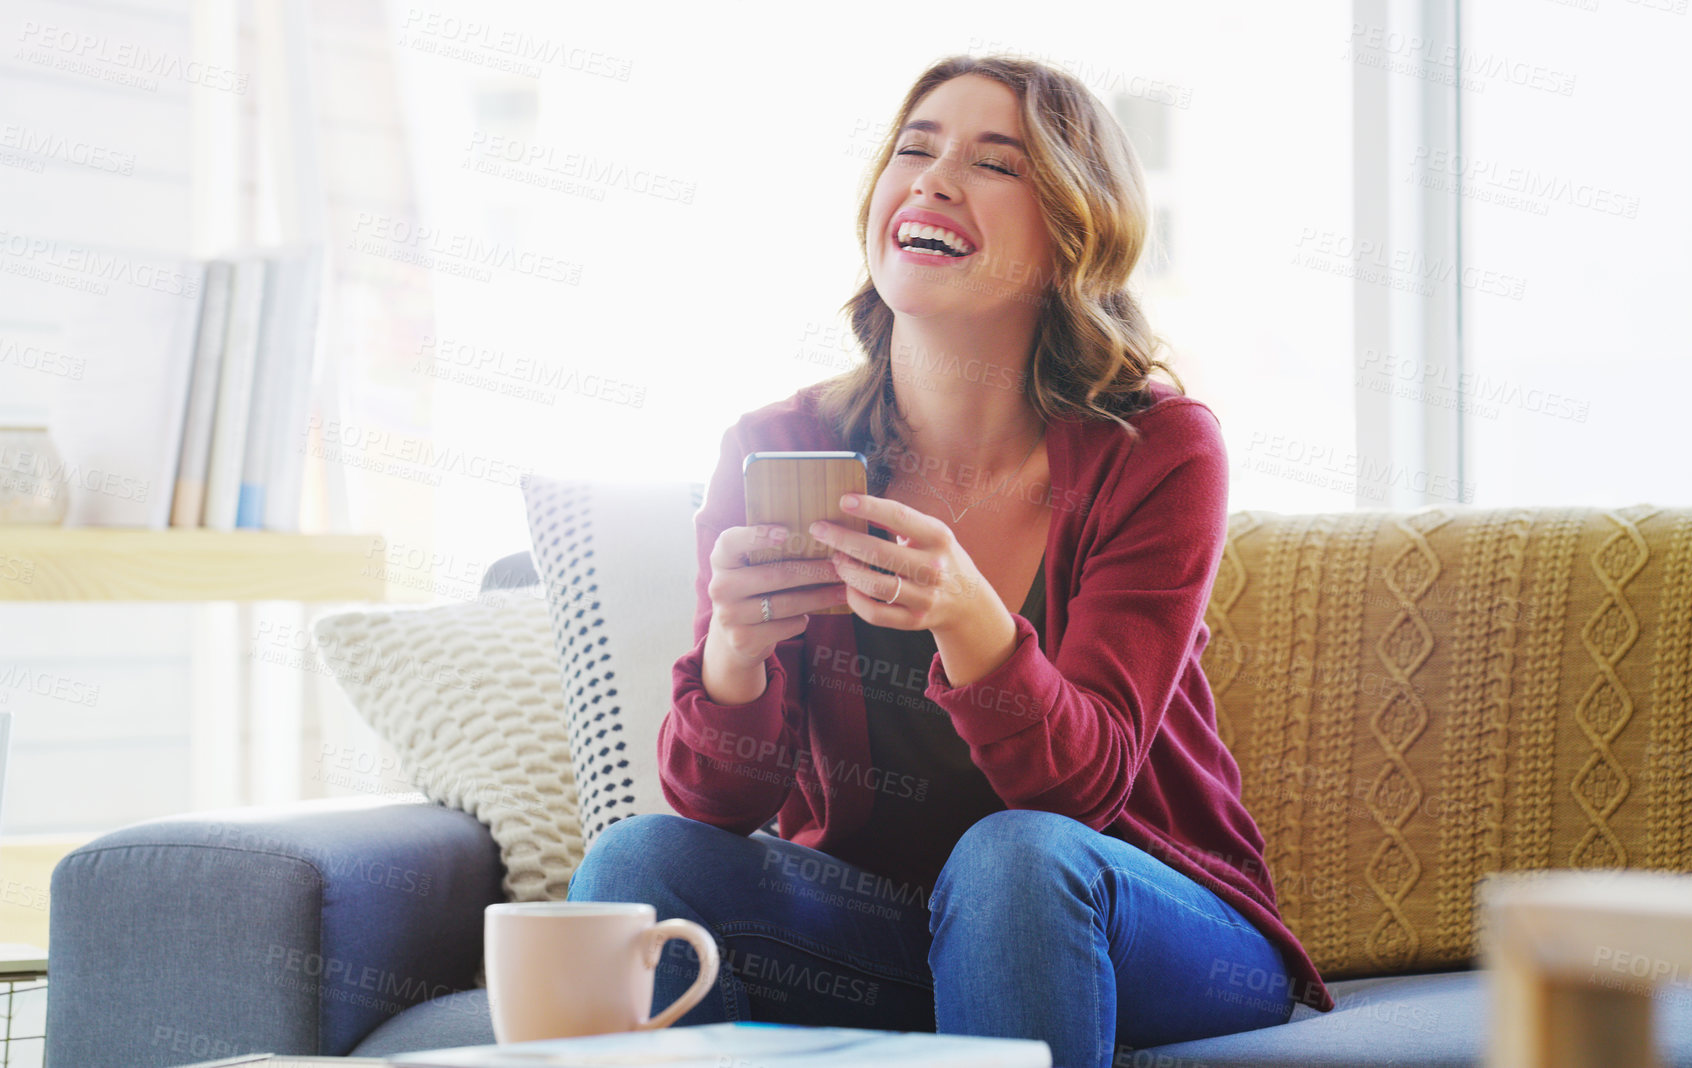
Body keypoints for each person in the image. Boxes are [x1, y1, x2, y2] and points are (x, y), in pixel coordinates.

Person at [567, 53, 1333, 1067]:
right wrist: (735, 662)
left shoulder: (1154, 449)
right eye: (915, 149)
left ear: (1072, 231)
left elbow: (1084, 791)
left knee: (1013, 862)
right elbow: (718, 807)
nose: (931, 178)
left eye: (993, 162)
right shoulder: (778, 442)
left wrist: (972, 620)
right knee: (638, 862)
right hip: (890, 932)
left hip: (1134, 922)